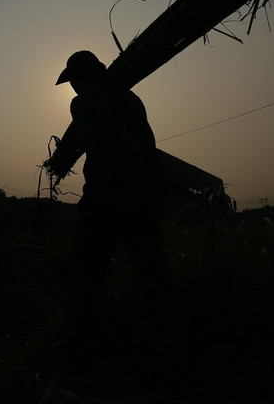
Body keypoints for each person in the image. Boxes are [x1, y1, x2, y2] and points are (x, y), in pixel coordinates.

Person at [45, 50, 170, 358]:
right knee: (153, 271)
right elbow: (147, 146)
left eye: (73, 80)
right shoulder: (131, 100)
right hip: (144, 194)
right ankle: (169, 339)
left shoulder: (82, 103)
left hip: (106, 195)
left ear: (81, 79)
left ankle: (76, 343)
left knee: (85, 271)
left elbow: (99, 146)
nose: (72, 87)